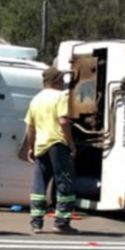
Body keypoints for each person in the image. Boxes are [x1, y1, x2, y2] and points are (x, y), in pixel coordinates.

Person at [25, 66, 79, 234]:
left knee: (39, 184)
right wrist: (71, 144)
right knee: (64, 182)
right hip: (57, 143)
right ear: (55, 81)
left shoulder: (35, 99)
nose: (63, 84)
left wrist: (30, 147)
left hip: (41, 146)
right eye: (62, 81)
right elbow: (63, 121)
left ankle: (36, 223)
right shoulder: (60, 97)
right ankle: (61, 222)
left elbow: (30, 127)